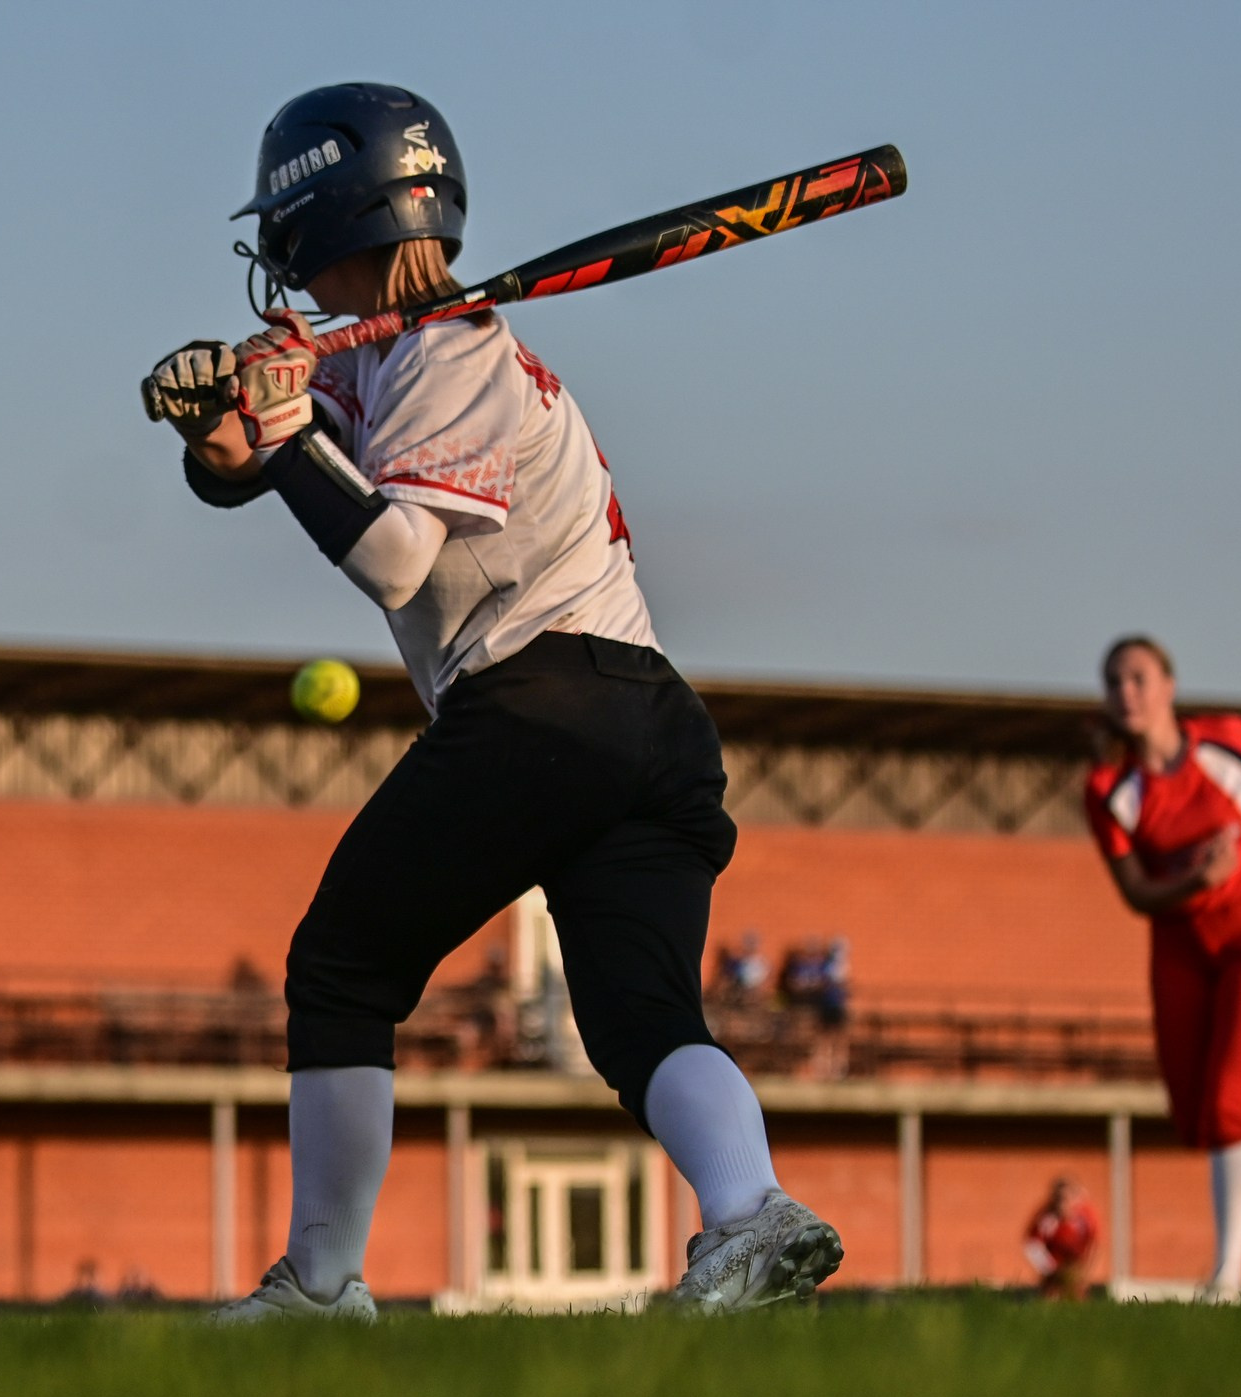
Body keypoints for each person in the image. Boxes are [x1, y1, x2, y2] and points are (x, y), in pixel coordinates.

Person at [141, 84, 840, 1319]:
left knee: (344, 966)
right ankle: (751, 1213)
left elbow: (397, 557)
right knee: (640, 1020)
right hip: (649, 721)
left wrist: (292, 432)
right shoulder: (392, 358)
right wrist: (224, 430)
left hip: (542, 702)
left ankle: (320, 1287)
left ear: (316, 218)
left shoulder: (450, 352)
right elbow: (251, 471)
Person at [1085, 635, 1241, 1297]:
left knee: (1229, 1106)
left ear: (1169, 686)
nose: (1129, 692)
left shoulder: (1221, 743)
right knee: (1196, 1120)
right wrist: (1197, 881)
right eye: (1116, 681)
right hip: (1180, 944)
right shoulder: (1110, 790)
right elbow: (1135, 893)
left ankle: (1225, 1279)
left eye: (1140, 678)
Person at [1023, 1178, 1100, 1301]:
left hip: (1075, 1266)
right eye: (1060, 1199)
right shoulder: (1046, 1219)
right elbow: (1033, 1245)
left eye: (1067, 1198)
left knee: (1078, 1293)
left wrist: (1086, 1269)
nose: (1063, 1203)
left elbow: (1094, 1243)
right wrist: (1049, 1267)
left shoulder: (1085, 1217)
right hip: (1054, 1268)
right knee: (1051, 1296)